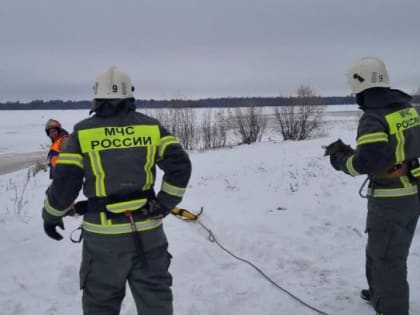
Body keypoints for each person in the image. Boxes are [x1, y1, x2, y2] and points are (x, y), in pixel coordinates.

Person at [42, 66, 192, 315]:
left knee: (101, 304)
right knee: (156, 303)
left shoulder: (83, 132)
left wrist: (51, 215)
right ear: (129, 95)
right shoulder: (151, 128)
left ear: (96, 97)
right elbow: (180, 166)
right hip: (149, 235)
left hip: (103, 240)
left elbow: (65, 183)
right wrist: (163, 205)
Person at [328, 56, 420, 315]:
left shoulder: (373, 117)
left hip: (391, 198)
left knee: (388, 258)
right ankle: (379, 293)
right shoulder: (406, 109)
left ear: (362, 83)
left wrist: (341, 160)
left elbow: (368, 161)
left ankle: (391, 307)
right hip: (410, 191)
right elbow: (392, 148)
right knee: (379, 249)